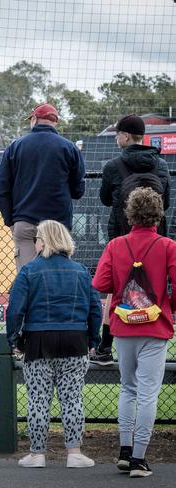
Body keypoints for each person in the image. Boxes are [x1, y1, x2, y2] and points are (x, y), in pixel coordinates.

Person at [93, 188, 176, 478]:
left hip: (124, 325)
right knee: (148, 393)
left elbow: (101, 283)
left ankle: (125, 451)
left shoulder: (116, 245)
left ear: (129, 214)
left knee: (127, 389)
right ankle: (140, 458)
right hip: (155, 326)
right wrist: (169, 308)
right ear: (158, 214)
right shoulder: (168, 246)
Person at [6, 220, 101, 469]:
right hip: (75, 340)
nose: (35, 242)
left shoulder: (28, 271)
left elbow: (15, 310)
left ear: (43, 241)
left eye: (37, 238)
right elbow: (94, 310)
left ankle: (37, 454)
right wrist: (92, 339)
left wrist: (14, 339)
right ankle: (74, 453)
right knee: (72, 398)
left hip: (38, 341)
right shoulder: (81, 270)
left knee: (38, 399)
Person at [92, 114, 170, 366]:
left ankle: (104, 347)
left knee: (116, 288)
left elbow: (105, 199)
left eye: (117, 134)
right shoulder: (160, 165)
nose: (116, 138)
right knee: (156, 285)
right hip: (156, 238)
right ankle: (155, 336)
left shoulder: (113, 166)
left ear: (125, 136)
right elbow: (166, 202)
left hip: (122, 237)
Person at [0, 103, 86, 271]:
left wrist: (11, 221)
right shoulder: (69, 148)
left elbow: (2, 189)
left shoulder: (15, 147)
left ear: (34, 119)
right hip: (58, 223)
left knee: (29, 278)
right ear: (55, 122)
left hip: (25, 220)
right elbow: (78, 190)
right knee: (58, 277)